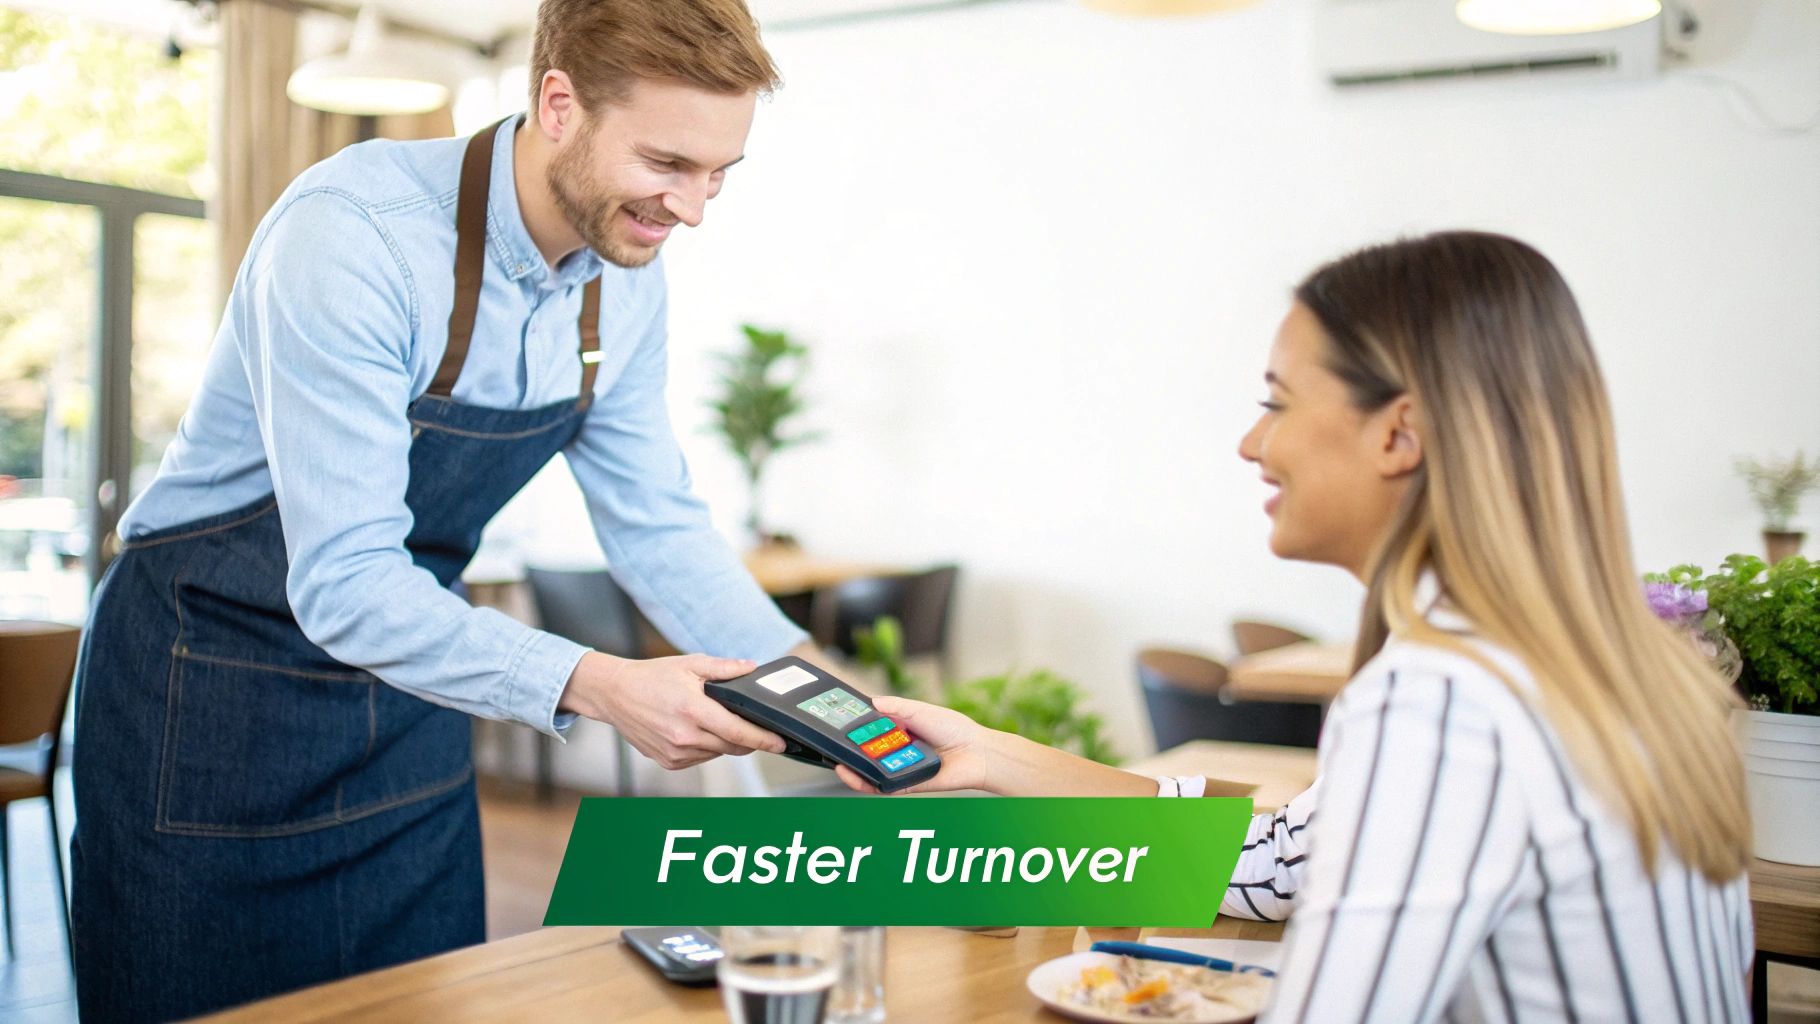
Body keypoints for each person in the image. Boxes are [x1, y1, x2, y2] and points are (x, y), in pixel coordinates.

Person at [69, 0, 820, 1018]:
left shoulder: (623, 281)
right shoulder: (355, 236)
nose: (691, 209)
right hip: (209, 689)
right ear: (559, 104)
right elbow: (346, 583)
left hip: (409, 693)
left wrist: (826, 703)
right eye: (665, 164)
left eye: (717, 173)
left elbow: (659, 526)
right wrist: (604, 686)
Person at [842, 232, 1755, 1021]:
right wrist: (988, 754)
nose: (1252, 443)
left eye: (1277, 402)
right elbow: (1279, 862)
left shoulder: (1444, 699)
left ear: (1399, 434)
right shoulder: (1598, 660)